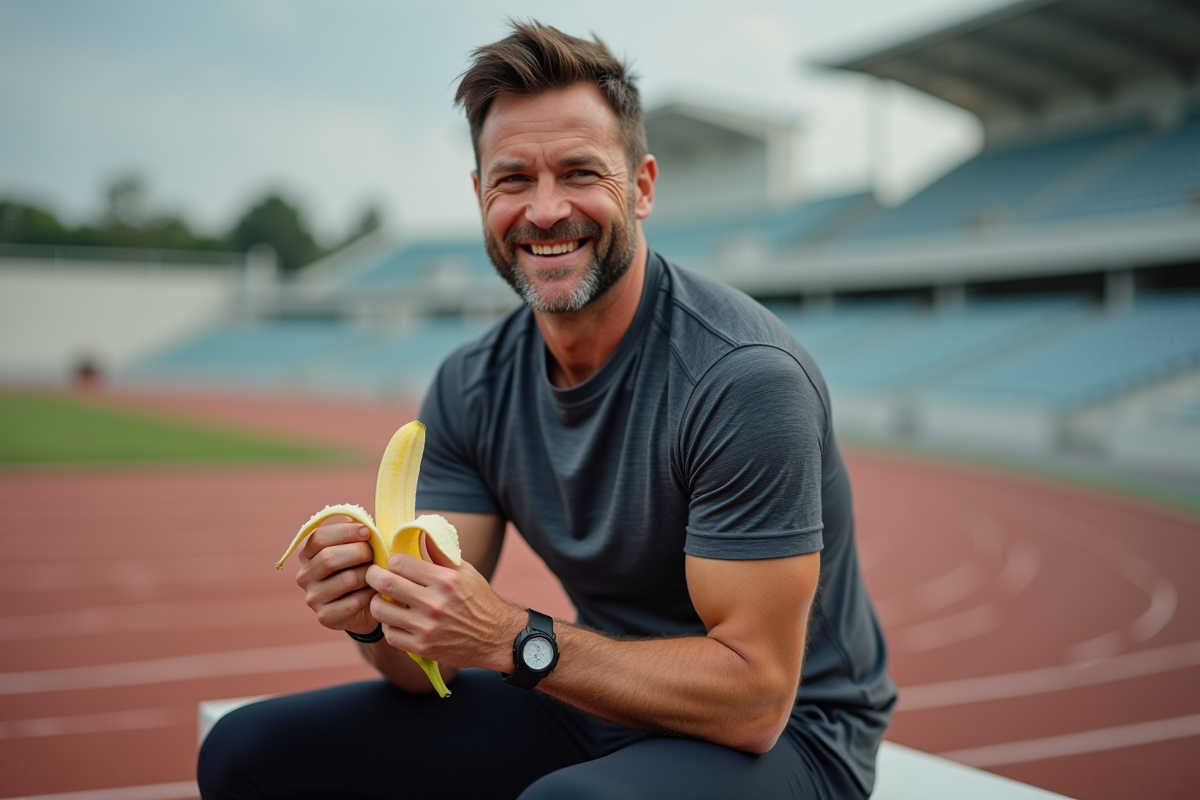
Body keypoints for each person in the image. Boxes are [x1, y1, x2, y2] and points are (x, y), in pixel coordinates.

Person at [198, 21, 894, 800]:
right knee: (246, 752)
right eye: (514, 180)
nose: (545, 209)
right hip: (598, 696)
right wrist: (373, 615)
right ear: (480, 197)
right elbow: (422, 667)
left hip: (793, 735)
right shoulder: (470, 385)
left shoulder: (743, 379)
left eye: (578, 172)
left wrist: (510, 637)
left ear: (643, 187)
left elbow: (755, 700)